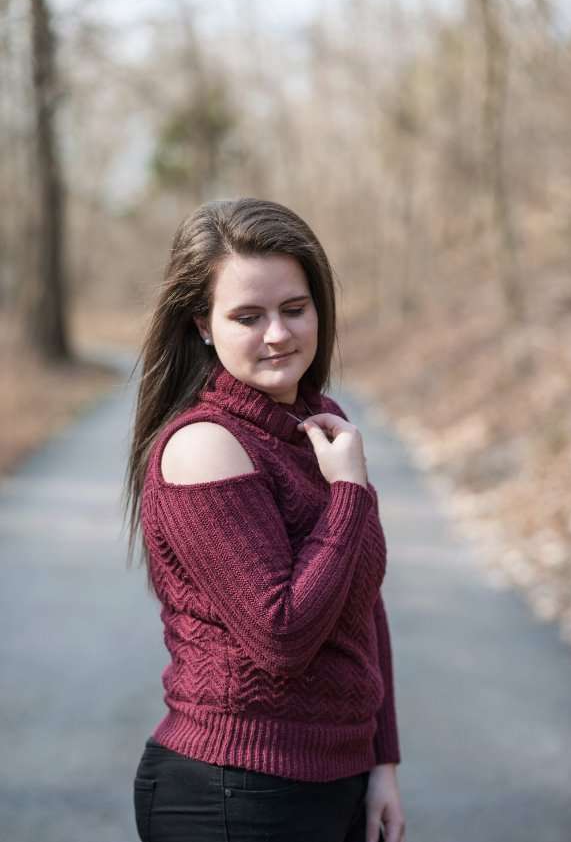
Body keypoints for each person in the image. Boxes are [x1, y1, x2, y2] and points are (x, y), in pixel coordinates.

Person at [124, 197, 406, 842]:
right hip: (236, 790)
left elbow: (360, 606)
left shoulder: (316, 428)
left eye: (294, 308)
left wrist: (382, 763)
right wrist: (350, 495)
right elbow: (282, 636)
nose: (278, 334)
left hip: (335, 779)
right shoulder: (204, 447)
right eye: (248, 316)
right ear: (202, 324)